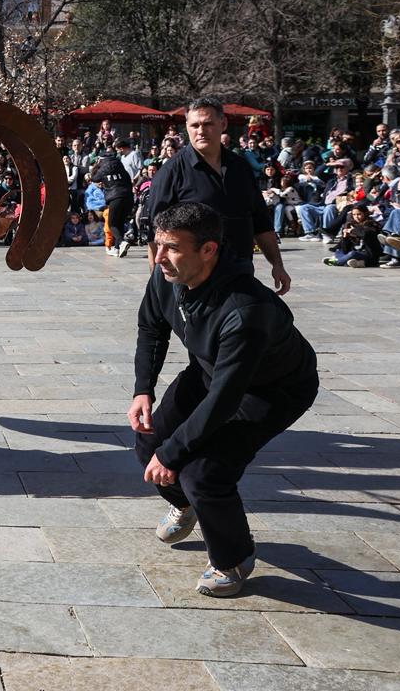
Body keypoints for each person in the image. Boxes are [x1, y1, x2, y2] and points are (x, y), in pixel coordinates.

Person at [130, 202, 318, 598]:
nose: (159, 256)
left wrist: (174, 456)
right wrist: (142, 388)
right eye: (157, 244)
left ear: (208, 250)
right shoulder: (166, 274)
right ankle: (185, 503)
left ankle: (234, 559)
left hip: (272, 389)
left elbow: (224, 401)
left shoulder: (246, 311)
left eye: (172, 248)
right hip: (211, 369)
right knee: (149, 439)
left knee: (204, 472)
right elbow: (152, 327)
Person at [142, 97, 291, 295]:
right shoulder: (171, 172)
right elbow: (155, 231)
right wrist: (157, 284)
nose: (201, 131)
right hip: (194, 281)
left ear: (223, 124)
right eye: (195, 125)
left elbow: (261, 222)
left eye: (208, 124)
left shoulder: (241, 168)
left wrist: (277, 264)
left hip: (240, 273)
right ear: (186, 127)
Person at [91, 138, 136, 257]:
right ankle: (117, 249)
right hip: (128, 197)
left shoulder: (103, 168)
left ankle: (121, 242)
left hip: (115, 198)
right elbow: (128, 180)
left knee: (112, 224)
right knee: (119, 223)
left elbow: (94, 178)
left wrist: (96, 166)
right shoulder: (120, 166)